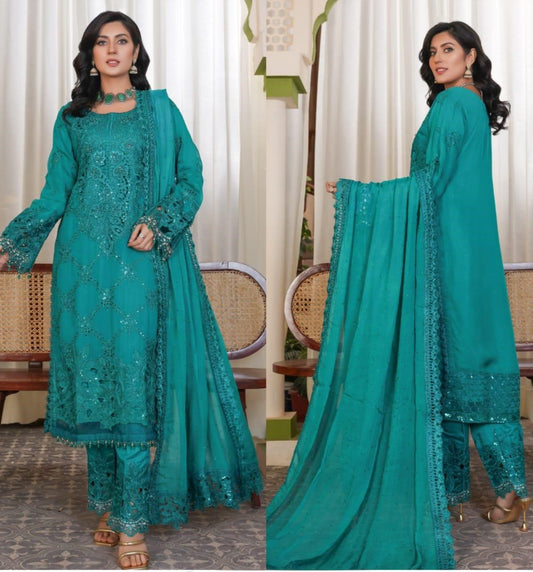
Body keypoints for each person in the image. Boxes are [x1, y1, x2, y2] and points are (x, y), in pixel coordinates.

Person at [0, 11, 262, 571]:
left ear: (138, 52)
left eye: (123, 41)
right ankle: (110, 504)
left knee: (132, 382)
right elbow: (54, 194)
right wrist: (11, 242)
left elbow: (190, 178)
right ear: (91, 55)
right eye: (103, 42)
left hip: (140, 264)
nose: (113, 49)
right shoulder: (72, 118)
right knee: (96, 382)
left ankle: (134, 519)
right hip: (81, 267)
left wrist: (160, 221)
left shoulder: (160, 112)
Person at [266, 21, 528, 570]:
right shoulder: (469, 105)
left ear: (472, 56)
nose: (437, 59)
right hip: (463, 252)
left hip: (451, 256)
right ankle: (468, 494)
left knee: (464, 367)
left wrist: (361, 194)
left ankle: (495, 493)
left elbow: (428, 184)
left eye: (448, 49)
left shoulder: (454, 104)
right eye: (431, 52)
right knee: (461, 369)